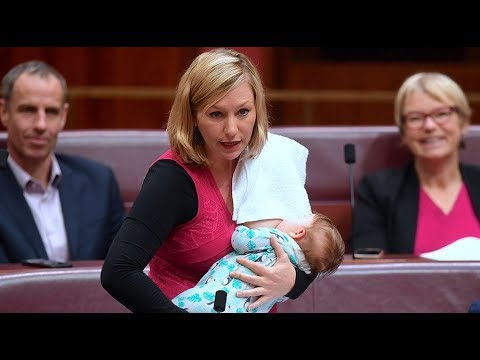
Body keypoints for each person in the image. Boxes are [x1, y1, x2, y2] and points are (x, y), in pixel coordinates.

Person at [101, 48, 320, 313]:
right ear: (193, 116)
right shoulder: (172, 179)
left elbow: (307, 248)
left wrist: (293, 281)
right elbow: (118, 271)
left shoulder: (272, 158)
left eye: (243, 112)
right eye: (216, 114)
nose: (231, 130)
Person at [0, 60, 125, 263]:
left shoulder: (99, 183)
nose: (40, 124)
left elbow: (123, 268)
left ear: (63, 116)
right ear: (4, 112)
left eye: (51, 112)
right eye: (28, 110)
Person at [350, 72, 480, 255]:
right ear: (403, 131)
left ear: (464, 122)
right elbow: (369, 269)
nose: (429, 126)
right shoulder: (377, 191)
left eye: (441, 114)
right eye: (416, 118)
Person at [172, 212, 344, 313]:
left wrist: (242, 226)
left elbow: (240, 240)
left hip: (211, 301)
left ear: (298, 232)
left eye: (299, 216)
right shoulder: (295, 271)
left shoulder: (276, 240)